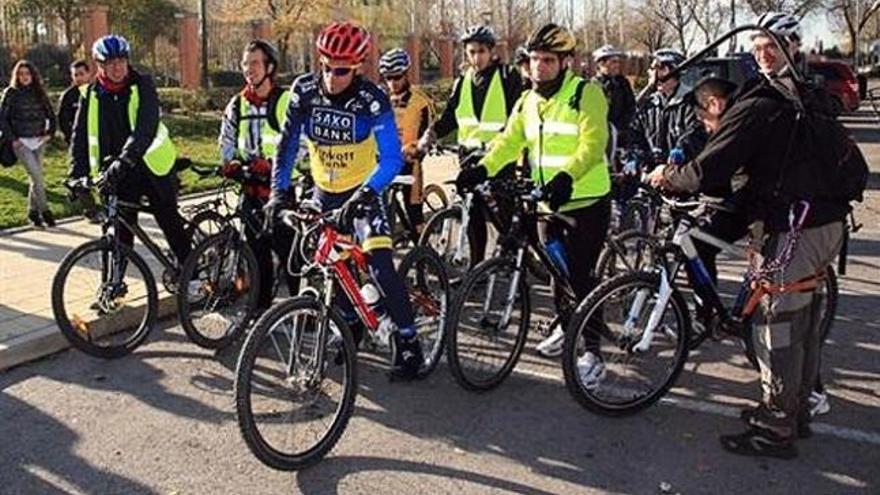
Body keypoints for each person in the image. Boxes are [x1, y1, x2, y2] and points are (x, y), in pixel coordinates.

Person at [647, 16, 854, 459]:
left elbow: (711, 167)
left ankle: (775, 429)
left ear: (793, 47)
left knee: (775, 326)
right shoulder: (809, 93)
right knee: (803, 322)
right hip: (827, 223)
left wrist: (670, 176)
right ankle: (794, 412)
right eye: (759, 45)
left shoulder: (763, 102)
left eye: (773, 46)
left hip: (794, 228)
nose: (764, 53)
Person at [270, 21, 424, 379]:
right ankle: (353, 322)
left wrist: (366, 193)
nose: (331, 77)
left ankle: (409, 340)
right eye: (325, 66)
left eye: (340, 71)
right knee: (326, 263)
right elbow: (287, 144)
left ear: (356, 68)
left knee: (380, 266)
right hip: (323, 191)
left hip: (363, 192)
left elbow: (391, 159)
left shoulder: (372, 99)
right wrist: (279, 192)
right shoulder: (304, 91)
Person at [455, 23, 612, 358]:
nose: (540, 67)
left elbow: (594, 142)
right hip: (547, 200)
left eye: (549, 61)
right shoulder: (527, 99)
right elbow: (509, 142)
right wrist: (482, 168)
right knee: (557, 272)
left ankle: (593, 352)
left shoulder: (586, 93)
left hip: (585, 200)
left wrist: (568, 176)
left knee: (581, 276)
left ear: (565, 62)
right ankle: (567, 324)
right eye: (536, 59)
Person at [69, 35, 191, 267]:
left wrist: (125, 159)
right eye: (111, 62)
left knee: (169, 221)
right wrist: (75, 174)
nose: (118, 68)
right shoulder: (91, 94)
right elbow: (80, 138)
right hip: (116, 171)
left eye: (122, 61)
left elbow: (146, 127)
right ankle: (113, 288)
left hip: (151, 166)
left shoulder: (142, 84)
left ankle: (191, 276)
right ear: (100, 65)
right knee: (118, 232)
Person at [417, 25, 523, 264]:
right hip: (468, 158)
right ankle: (478, 268)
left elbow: (519, 116)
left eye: (482, 51)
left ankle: (513, 267)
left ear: (491, 51)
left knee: (503, 215)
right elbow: (450, 118)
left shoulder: (507, 77)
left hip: (499, 158)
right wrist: (430, 135)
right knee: (473, 216)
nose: (477, 57)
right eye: (472, 52)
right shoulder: (462, 82)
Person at [218, 39, 296, 309]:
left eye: (254, 63)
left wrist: (273, 164)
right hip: (250, 189)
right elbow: (226, 140)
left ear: (269, 67)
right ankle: (262, 309)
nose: (248, 69)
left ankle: (305, 311)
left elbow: (303, 145)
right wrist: (230, 163)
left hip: (280, 191)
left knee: (288, 254)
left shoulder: (284, 101)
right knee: (256, 252)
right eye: (245, 64)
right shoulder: (237, 104)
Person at [378, 48, 436, 234]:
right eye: (388, 78)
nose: (392, 83)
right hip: (384, 163)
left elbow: (428, 135)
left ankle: (425, 255)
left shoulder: (421, 103)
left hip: (410, 164)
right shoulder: (381, 101)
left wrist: (415, 151)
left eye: (396, 77)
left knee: (414, 216)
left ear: (406, 74)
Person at [0, 60, 57, 227]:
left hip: (39, 141)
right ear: (16, 76)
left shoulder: (39, 92)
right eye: (21, 74)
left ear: (32, 75)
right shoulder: (11, 93)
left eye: (27, 73)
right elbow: (2, 118)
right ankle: (46, 211)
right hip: (21, 143)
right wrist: (13, 139)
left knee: (36, 177)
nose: (24, 77)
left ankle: (33, 212)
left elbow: (52, 116)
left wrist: (50, 134)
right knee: (37, 176)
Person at [629, 48, 706, 169]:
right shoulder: (649, 104)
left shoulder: (691, 102)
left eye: (661, 69)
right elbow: (635, 133)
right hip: (651, 175)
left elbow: (696, 132)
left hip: (680, 174)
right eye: (653, 69)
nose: (656, 76)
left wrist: (681, 150)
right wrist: (639, 157)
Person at [591, 45, 635, 150]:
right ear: (601, 64)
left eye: (618, 62)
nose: (617, 65)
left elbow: (631, 106)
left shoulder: (623, 83)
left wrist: (621, 127)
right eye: (613, 62)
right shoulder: (593, 86)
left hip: (622, 136)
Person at [58, 60, 91, 146]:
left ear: (88, 74)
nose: (79, 78)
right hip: (76, 141)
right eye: (75, 75)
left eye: (81, 74)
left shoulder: (97, 92)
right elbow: (63, 120)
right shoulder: (67, 96)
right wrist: (71, 137)